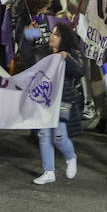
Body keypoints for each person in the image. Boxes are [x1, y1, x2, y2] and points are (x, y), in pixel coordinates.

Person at [33, 22, 83, 185]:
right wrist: (29, 32)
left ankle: (71, 157)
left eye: (57, 34)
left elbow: (80, 71)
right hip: (45, 100)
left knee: (59, 135)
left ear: (64, 38)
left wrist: (66, 57)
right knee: (44, 134)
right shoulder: (43, 52)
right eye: (52, 33)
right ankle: (49, 171)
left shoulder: (71, 53)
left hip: (63, 100)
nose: (52, 36)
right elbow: (27, 49)